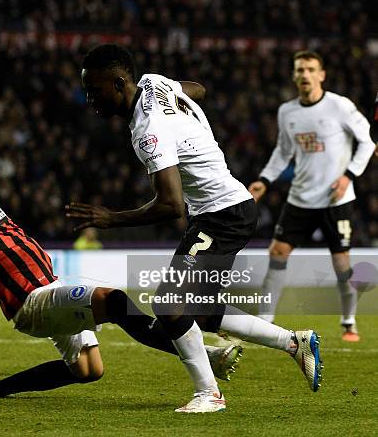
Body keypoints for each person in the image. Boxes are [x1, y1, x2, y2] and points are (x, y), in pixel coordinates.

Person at [0, 130, 244, 400]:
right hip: (31, 301)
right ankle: (203, 355)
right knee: (118, 301)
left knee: (90, 371)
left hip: (52, 286)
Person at [66, 43, 322, 413]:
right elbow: (197, 88)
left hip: (222, 213)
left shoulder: (147, 130)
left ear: (120, 83)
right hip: (224, 209)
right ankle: (294, 343)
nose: (89, 98)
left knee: (168, 304)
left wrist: (112, 218)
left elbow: (170, 205)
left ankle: (209, 394)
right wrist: (180, 109)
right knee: (199, 310)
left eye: (95, 89)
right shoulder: (153, 83)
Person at [248, 51, 374, 342]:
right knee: (277, 252)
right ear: (294, 76)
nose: (305, 74)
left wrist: (348, 177)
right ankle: (265, 322)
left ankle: (348, 321)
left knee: (341, 264)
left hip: (336, 200)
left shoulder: (339, 106)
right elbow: (283, 152)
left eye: (310, 69)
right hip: (301, 198)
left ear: (321, 74)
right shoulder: (287, 112)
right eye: (300, 69)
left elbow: (367, 142)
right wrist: (265, 180)